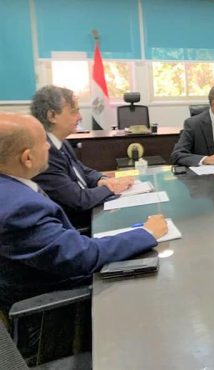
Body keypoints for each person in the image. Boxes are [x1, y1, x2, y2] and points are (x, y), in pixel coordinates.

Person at [0, 112, 167, 313]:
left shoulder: (11, 187)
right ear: (27, 158)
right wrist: (146, 233)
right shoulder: (19, 208)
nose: (49, 147)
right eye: (43, 142)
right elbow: (82, 257)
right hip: (56, 305)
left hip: (52, 275)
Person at [30, 85, 134, 228]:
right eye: (74, 112)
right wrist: (112, 187)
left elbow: (83, 171)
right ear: (52, 116)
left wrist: (101, 180)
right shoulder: (44, 154)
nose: (80, 117)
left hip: (91, 211)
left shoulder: (61, 142)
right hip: (77, 225)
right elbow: (79, 200)